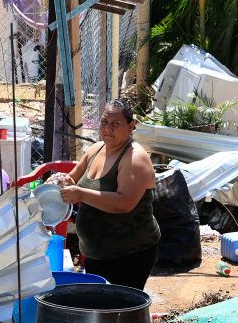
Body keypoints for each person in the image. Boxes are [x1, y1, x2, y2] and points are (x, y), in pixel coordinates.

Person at [54, 100, 160, 289]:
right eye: (104, 122)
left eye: (115, 124)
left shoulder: (135, 158)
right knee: (102, 307)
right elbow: (73, 178)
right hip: (96, 252)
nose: (107, 129)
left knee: (121, 309)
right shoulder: (96, 149)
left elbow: (123, 203)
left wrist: (81, 194)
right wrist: (60, 181)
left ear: (131, 126)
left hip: (128, 254)